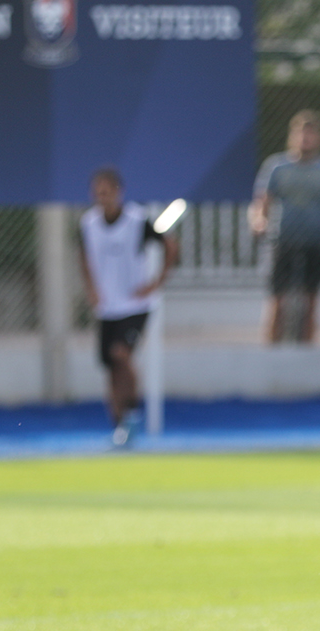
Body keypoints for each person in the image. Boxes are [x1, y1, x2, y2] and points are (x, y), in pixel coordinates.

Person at [79, 167, 178, 448]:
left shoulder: (137, 220)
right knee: (110, 366)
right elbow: (84, 257)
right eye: (98, 192)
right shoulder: (87, 223)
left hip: (135, 304)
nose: (102, 197)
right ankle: (118, 425)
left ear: (118, 192)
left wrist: (156, 281)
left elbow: (170, 244)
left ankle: (133, 411)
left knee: (121, 354)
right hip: (107, 307)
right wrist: (92, 289)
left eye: (107, 191)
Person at [248, 110, 320, 344]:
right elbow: (263, 202)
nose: (306, 139)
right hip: (284, 240)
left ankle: (308, 351)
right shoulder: (276, 167)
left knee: (311, 300)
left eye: (311, 134)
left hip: (317, 241)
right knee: (278, 300)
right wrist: (259, 221)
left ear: (319, 138)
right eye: (301, 134)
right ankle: (271, 349)